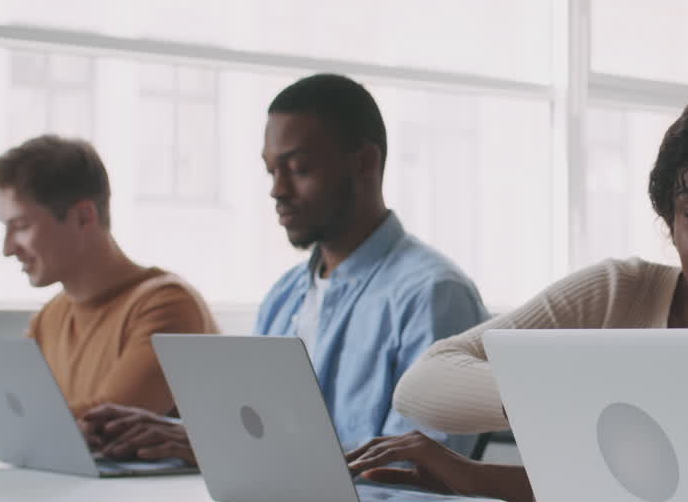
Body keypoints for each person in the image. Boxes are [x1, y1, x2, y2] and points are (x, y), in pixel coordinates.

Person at [345, 91, 688, 502]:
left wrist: (475, 477)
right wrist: (590, 399)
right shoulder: (618, 291)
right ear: (670, 222)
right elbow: (424, 384)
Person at [79, 73, 490, 463]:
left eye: (298, 169)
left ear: (365, 163)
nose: (277, 189)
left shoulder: (433, 295)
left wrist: (215, 445)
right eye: (272, 171)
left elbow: (424, 470)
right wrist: (183, 434)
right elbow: (257, 434)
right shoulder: (284, 295)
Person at [0, 135, 217, 415]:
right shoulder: (49, 319)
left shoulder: (167, 305)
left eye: (21, 226)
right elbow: (8, 409)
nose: (7, 249)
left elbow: (106, 424)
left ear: (84, 216)